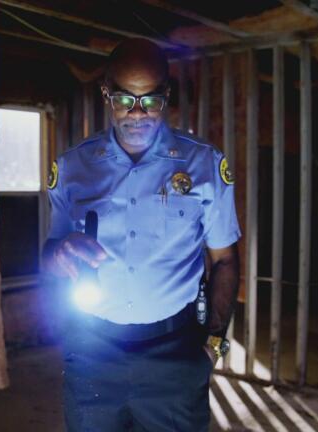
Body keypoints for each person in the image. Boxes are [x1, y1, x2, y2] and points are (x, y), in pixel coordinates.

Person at [42, 38, 241, 432]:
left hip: (175, 353)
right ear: (106, 94)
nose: (138, 113)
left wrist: (213, 345)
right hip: (92, 353)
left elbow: (225, 260)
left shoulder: (203, 164)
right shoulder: (72, 167)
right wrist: (59, 254)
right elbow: (49, 254)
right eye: (124, 99)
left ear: (166, 95)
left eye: (150, 100)